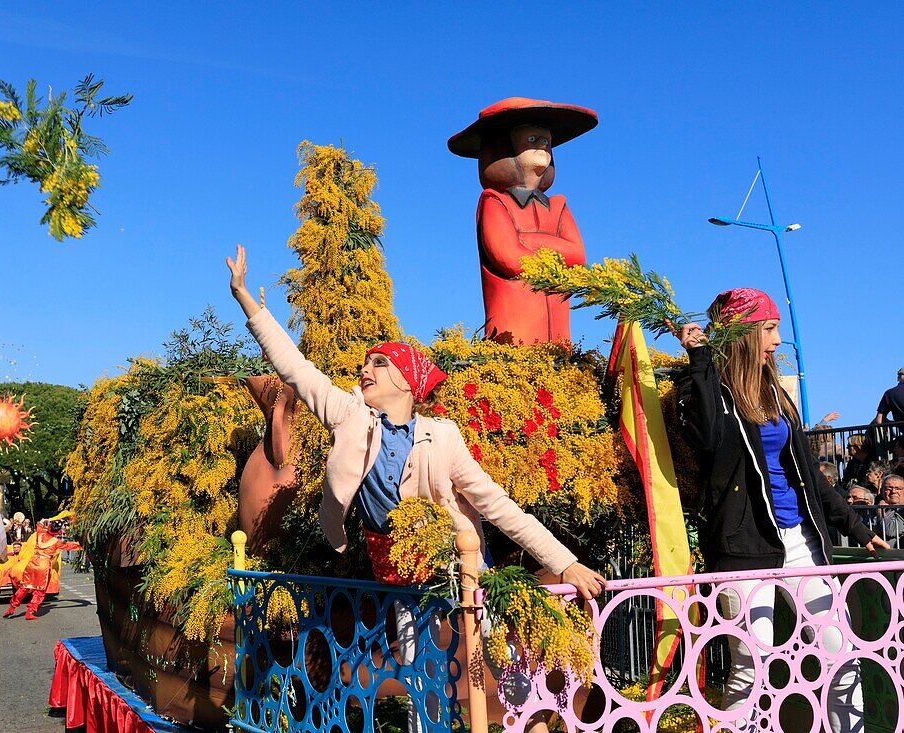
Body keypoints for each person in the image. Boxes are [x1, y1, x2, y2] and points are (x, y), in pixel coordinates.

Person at [227, 245, 603, 732]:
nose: (366, 368)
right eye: (366, 362)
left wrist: (565, 563)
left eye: (379, 363)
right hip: (399, 577)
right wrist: (245, 299)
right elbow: (296, 370)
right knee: (417, 668)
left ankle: (528, 721)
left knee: (497, 653)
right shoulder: (350, 417)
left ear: (406, 380)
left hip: (459, 567)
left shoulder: (443, 437)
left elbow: (498, 506)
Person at [676, 287, 888, 733]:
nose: (776, 340)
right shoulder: (714, 388)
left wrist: (855, 527)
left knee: (840, 654)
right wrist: (700, 363)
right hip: (744, 548)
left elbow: (809, 475)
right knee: (750, 667)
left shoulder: (775, 393)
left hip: (801, 542)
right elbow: (710, 440)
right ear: (745, 334)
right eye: (769, 329)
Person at [4, 516, 79, 620]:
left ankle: (11, 608)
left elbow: (39, 524)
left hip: (33, 563)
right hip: (43, 566)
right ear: (58, 532)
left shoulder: (40, 534)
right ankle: (30, 612)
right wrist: (82, 545)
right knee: (40, 591)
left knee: (25, 587)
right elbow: (70, 546)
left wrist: (45, 520)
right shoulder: (56, 542)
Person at [876, 475, 904, 548]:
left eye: (898, 488)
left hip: (896, 556)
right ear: (881, 491)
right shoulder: (873, 508)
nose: (893, 491)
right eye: (889, 488)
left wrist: (880, 511)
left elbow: (891, 531)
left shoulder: (902, 510)